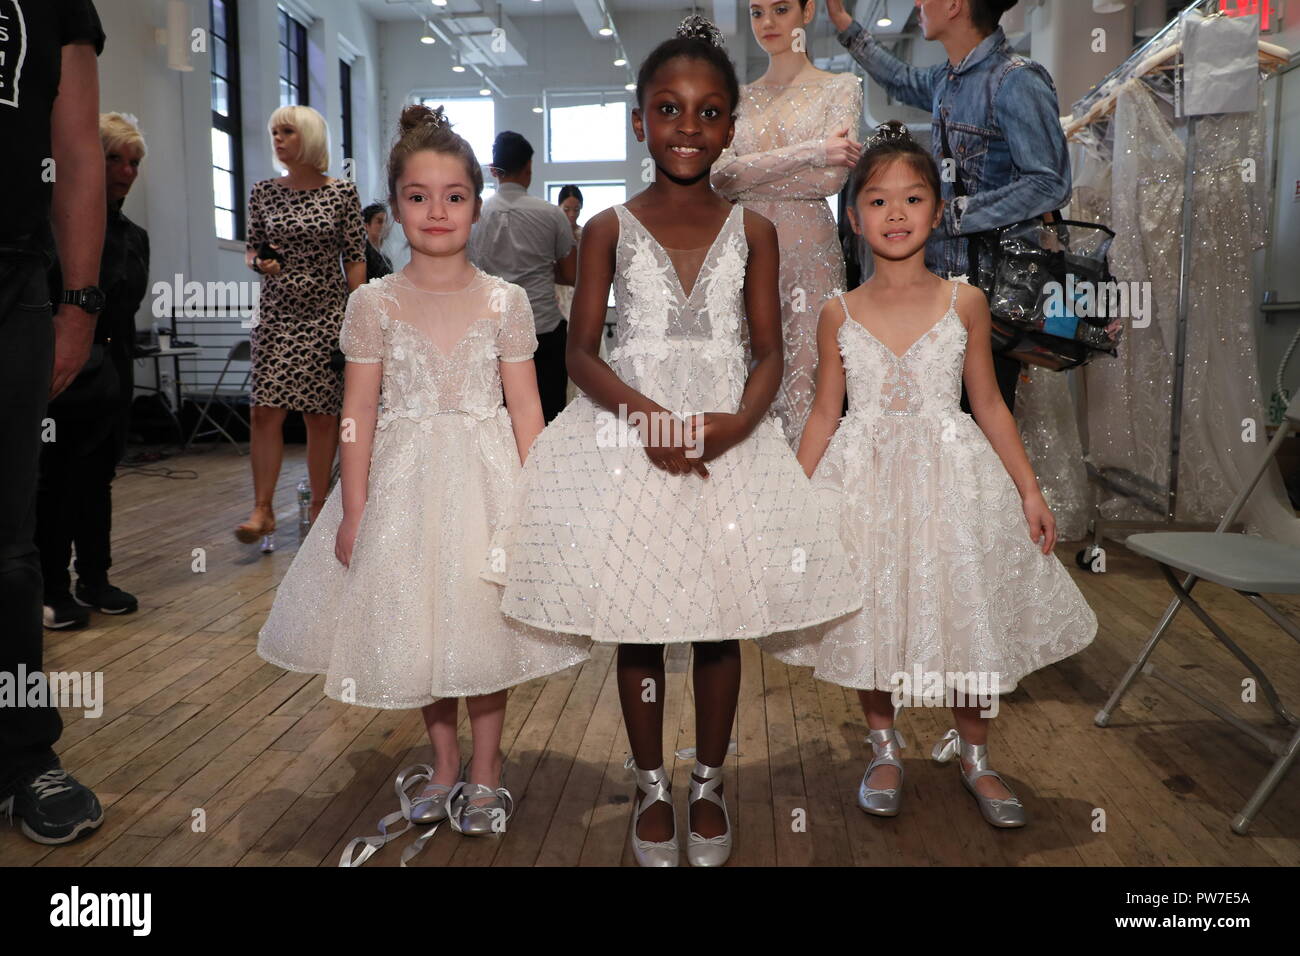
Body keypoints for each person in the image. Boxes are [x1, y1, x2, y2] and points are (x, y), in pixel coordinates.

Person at [484, 16, 860, 867]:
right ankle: (652, 781)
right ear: (639, 121)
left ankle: (711, 778)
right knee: (642, 624)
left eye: (708, 110)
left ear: (730, 125)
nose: (688, 127)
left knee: (721, 622)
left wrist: (737, 423)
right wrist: (647, 416)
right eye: (668, 108)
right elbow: (580, 353)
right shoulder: (607, 226)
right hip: (632, 436)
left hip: (726, 437)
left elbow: (771, 351)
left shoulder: (755, 231)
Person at [258, 105, 587, 836]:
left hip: (485, 479)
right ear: (396, 205)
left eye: (454, 195)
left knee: (481, 622)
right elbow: (358, 412)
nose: (437, 210)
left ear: (477, 202)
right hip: (403, 486)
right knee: (423, 625)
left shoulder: (504, 302)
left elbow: (528, 409)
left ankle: (488, 767)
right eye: (418, 196)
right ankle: (443, 764)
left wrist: (539, 501)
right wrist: (350, 507)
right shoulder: (373, 303)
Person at [761, 122, 1096, 828]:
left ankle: (976, 755)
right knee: (875, 611)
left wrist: (1030, 491)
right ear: (852, 217)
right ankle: (883, 746)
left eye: (912, 199)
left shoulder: (964, 301)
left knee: (965, 608)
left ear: (938, 211)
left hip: (953, 480)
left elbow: (991, 406)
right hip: (867, 483)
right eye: (877, 201)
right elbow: (824, 413)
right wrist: (791, 500)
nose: (895, 214)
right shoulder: (837, 312)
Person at [826, 0, 1071, 413]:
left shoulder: (1016, 81)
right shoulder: (950, 78)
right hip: (943, 289)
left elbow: (1051, 183)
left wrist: (955, 214)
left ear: (955, 5)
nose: (918, 4)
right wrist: (848, 29)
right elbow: (901, 80)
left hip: (990, 297)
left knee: (977, 423)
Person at [0, 0, 107, 845]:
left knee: (8, 547)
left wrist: (77, 300)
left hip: (11, 284)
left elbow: (75, 150)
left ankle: (24, 753)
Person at [713, 0, 862, 448]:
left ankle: (806, 498)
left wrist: (752, 170)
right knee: (743, 370)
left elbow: (833, 178)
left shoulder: (841, 87)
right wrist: (814, 150)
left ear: (807, 11)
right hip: (743, 251)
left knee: (810, 375)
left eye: (780, 9)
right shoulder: (735, 97)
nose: (768, 23)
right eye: (757, 12)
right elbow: (721, 176)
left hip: (811, 254)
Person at [38, 112, 149, 630]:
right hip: (62, 372)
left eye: (133, 162)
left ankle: (96, 578)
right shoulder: (53, 224)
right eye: (114, 158)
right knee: (55, 481)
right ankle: (52, 586)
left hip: (113, 373)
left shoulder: (134, 236)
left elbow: (125, 311)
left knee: (98, 478)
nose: (126, 171)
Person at [240, 105, 367, 549]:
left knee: (320, 417)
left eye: (287, 131)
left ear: (309, 137)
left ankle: (317, 506)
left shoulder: (342, 193)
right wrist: (261, 260)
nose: (278, 138)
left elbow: (354, 258)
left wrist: (360, 318)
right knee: (264, 411)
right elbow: (252, 249)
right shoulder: (262, 192)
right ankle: (262, 508)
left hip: (326, 314)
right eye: (274, 131)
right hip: (276, 314)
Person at [469, 132, 575, 423]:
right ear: (528, 167)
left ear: (494, 169)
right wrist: (539, 267)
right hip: (543, 327)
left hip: (492, 332)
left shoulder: (475, 215)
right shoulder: (552, 215)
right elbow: (570, 273)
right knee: (549, 417)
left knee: (498, 420)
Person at [552, 184, 583, 322]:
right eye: (566, 209)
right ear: (559, 207)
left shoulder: (585, 234)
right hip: (557, 292)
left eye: (576, 209)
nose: (572, 214)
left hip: (579, 289)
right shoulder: (552, 233)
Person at [362, 201, 393, 281]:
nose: (384, 225)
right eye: (379, 221)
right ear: (366, 226)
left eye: (386, 221)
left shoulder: (386, 259)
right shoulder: (362, 254)